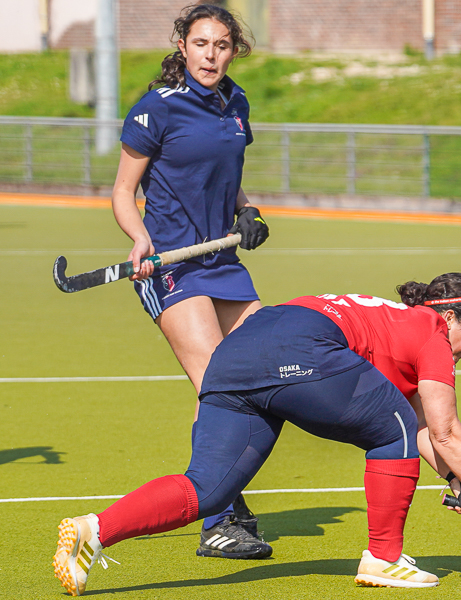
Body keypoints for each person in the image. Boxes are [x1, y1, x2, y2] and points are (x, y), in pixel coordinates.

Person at [52, 273, 461, 595]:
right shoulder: (430, 332)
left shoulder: (394, 325)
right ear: (449, 316)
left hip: (237, 354)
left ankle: (95, 531)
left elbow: (423, 430)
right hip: (299, 346)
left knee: (210, 488)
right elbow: (442, 430)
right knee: (395, 430)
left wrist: (460, 485)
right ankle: (384, 559)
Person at [112, 4, 271, 559]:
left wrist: (246, 211)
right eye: (201, 43)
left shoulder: (236, 101)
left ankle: (226, 495)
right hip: (172, 262)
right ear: (183, 45)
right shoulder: (155, 110)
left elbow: (227, 178)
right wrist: (139, 238)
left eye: (222, 45)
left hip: (221, 259)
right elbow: (122, 192)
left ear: (234, 50)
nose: (211, 55)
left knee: (266, 371)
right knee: (218, 385)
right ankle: (220, 516)